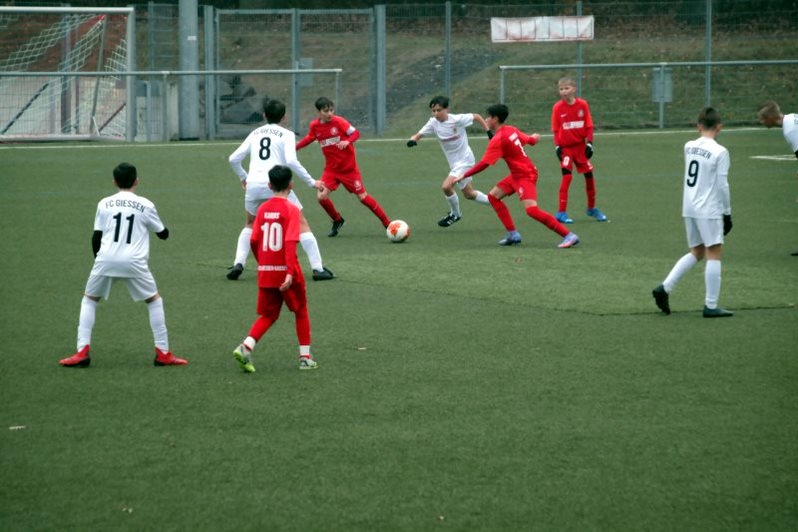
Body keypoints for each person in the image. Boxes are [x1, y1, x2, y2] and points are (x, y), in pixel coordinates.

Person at [59, 162, 188, 367]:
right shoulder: (146, 204)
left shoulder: (104, 203)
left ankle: (82, 352)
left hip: (105, 259)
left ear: (114, 182)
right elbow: (163, 234)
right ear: (136, 181)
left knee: (90, 300)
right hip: (134, 261)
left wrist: (99, 262)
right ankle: (163, 353)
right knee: (154, 301)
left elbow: (96, 237)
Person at [227, 98, 334, 281]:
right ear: (284, 117)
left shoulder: (255, 133)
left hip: (253, 185)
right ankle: (318, 269)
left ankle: (239, 264)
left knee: (251, 224)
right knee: (301, 223)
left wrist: (244, 177)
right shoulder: (287, 134)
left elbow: (233, 159)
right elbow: (291, 161)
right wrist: (311, 182)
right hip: (277, 184)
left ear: (264, 115)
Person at [455, 103, 580, 248]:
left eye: (488, 117)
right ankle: (513, 234)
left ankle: (569, 235)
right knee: (493, 197)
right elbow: (530, 141)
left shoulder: (498, 139)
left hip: (525, 175)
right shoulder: (511, 129)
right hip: (518, 174)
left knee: (532, 210)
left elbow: (484, 163)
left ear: (495, 119)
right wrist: (535, 137)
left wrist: (464, 175)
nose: (486, 119)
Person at [233, 165, 318, 373]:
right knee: (300, 310)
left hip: (267, 270)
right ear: (291, 184)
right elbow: (290, 242)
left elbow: (253, 239)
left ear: (269, 185)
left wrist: (262, 263)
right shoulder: (291, 209)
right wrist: (289, 272)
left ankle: (246, 346)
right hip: (287, 271)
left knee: (269, 315)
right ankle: (305, 358)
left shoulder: (262, 209)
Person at [652, 107, 733, 318]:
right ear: (719, 128)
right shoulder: (720, 152)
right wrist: (727, 213)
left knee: (697, 251)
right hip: (709, 209)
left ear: (698, 126)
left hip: (689, 207)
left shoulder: (688, 146)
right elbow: (722, 185)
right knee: (713, 252)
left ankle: (665, 287)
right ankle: (711, 305)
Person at [296, 96, 392, 237]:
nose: (329, 113)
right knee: (321, 196)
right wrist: (294, 148)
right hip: (331, 170)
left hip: (349, 170)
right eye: (326, 111)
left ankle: (387, 224)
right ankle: (338, 220)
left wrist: (348, 141)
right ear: (318, 112)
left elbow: (356, 133)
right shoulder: (315, 126)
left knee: (363, 197)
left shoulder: (339, 122)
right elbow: (309, 138)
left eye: (331, 110)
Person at [406, 95, 493, 227]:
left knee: (446, 186)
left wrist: (488, 131)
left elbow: (476, 116)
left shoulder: (457, 120)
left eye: (439, 110)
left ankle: (456, 214)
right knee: (469, 194)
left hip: (466, 160)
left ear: (447, 109)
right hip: (454, 163)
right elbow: (418, 135)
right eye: (433, 111)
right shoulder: (433, 123)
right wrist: (413, 140)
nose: (436, 113)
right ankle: (493, 202)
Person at [551, 77, 608, 224]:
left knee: (589, 177)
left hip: (580, 147)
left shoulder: (582, 105)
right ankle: (561, 212)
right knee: (567, 177)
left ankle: (591, 208)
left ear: (574, 89)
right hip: (566, 149)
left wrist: (589, 143)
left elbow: (589, 125)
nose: (563, 92)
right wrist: (557, 146)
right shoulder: (557, 107)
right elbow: (556, 130)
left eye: (566, 88)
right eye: (561, 89)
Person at [756, 100, 798, 256]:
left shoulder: (789, 130)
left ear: (771, 118)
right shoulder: (792, 118)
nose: (761, 122)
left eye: (763, 119)